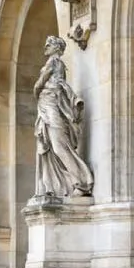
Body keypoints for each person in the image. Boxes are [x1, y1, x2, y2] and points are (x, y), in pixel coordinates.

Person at [34, 36, 94, 201]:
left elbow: (39, 84)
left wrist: (37, 90)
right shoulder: (54, 63)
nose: (46, 46)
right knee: (51, 148)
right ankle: (55, 186)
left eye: (50, 43)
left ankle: (82, 181)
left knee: (59, 147)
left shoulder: (54, 62)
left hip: (51, 107)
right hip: (46, 106)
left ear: (57, 48)